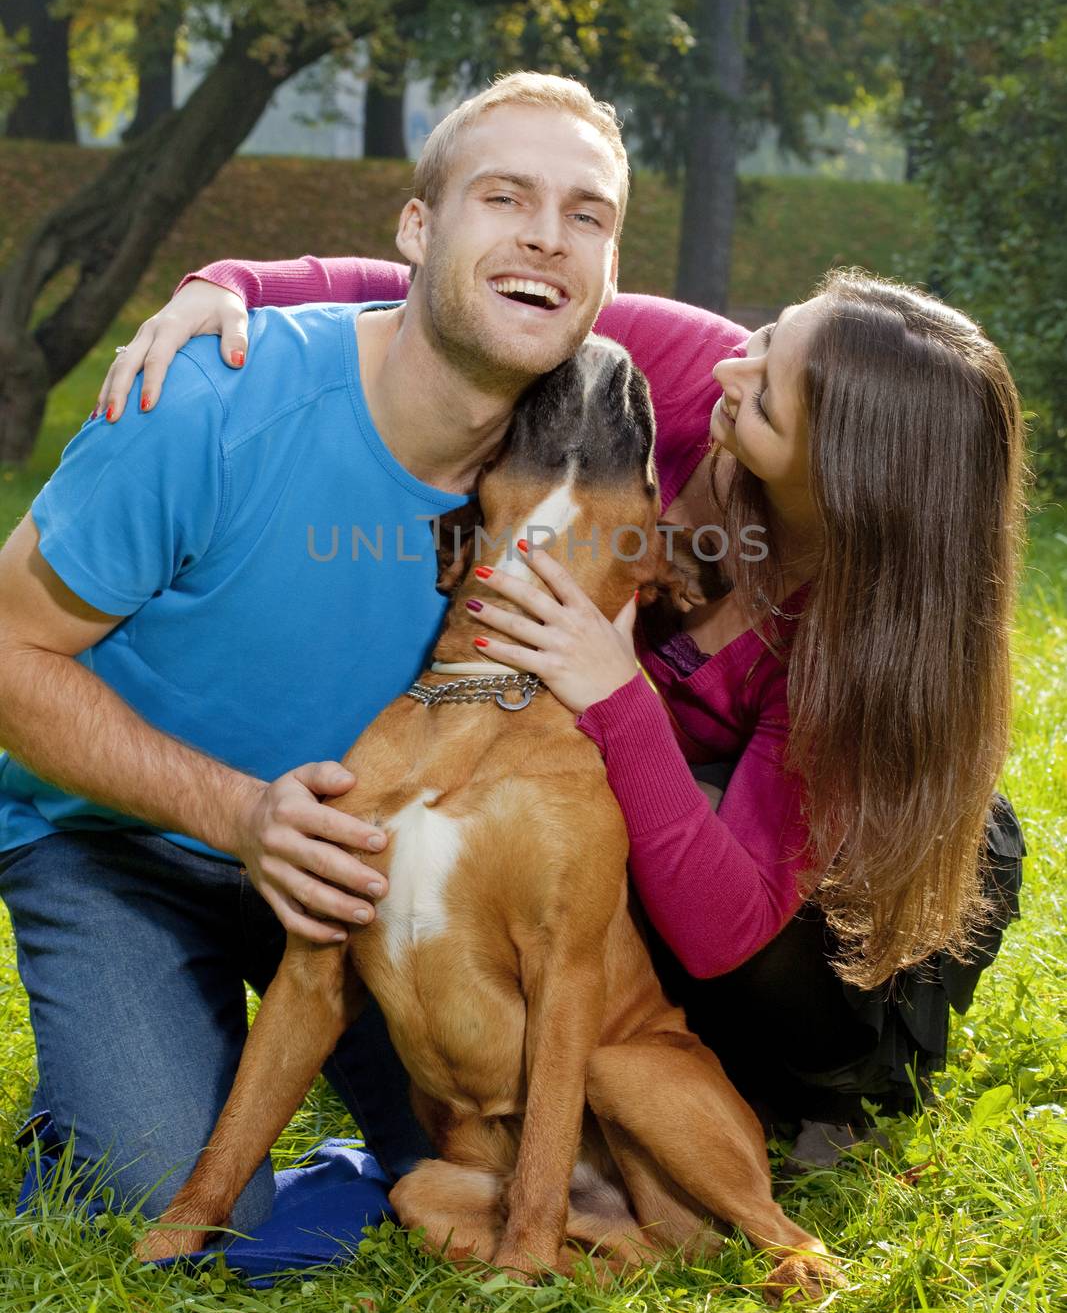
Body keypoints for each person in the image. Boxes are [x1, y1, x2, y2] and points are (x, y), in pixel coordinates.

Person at [102, 240, 1027, 1166]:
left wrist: (616, 686)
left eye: (768, 393)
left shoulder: (852, 651)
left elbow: (724, 929)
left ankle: (809, 1098)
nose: (727, 368)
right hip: (669, 803)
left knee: (676, 852)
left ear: (843, 480)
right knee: (574, 821)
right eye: (768, 335)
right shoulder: (685, 373)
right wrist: (232, 287)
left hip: (843, 933)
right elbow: (459, 302)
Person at [0, 73, 653, 1235]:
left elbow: (811, 386)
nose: (546, 238)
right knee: (163, 1191)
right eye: (503, 197)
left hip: (377, 868)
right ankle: (104, 1102)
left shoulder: (575, 440)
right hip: (127, 841)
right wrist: (242, 815)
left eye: (585, 216)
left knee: (491, 1164)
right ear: (415, 228)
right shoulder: (208, 400)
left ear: (607, 270)